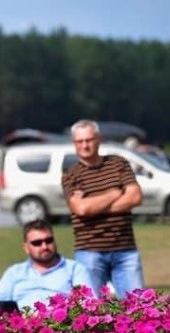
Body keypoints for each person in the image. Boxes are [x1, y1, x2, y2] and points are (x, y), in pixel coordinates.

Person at [62, 119, 143, 296]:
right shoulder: (71, 175)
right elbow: (81, 209)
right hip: (90, 252)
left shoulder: (118, 164)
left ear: (98, 139)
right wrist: (115, 193)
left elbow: (135, 196)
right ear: (74, 144)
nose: (85, 145)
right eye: (79, 141)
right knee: (92, 311)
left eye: (89, 140)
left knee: (139, 308)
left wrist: (94, 205)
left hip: (125, 250)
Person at [0, 219, 97, 309]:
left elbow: (89, 303)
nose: (44, 246)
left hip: (61, 327)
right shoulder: (14, 272)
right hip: (20, 327)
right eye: (37, 243)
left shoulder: (74, 269)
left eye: (49, 240)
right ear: (26, 248)